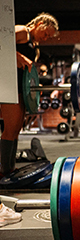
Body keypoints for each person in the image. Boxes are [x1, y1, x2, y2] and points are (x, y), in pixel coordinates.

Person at [0, 12, 58, 227]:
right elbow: (0, 42)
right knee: (11, 128)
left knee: (14, 129)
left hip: (17, 87)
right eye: (46, 33)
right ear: (40, 23)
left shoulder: (34, 44)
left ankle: (8, 170)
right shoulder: (22, 31)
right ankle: (4, 171)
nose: (46, 37)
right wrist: (16, 56)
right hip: (6, 85)